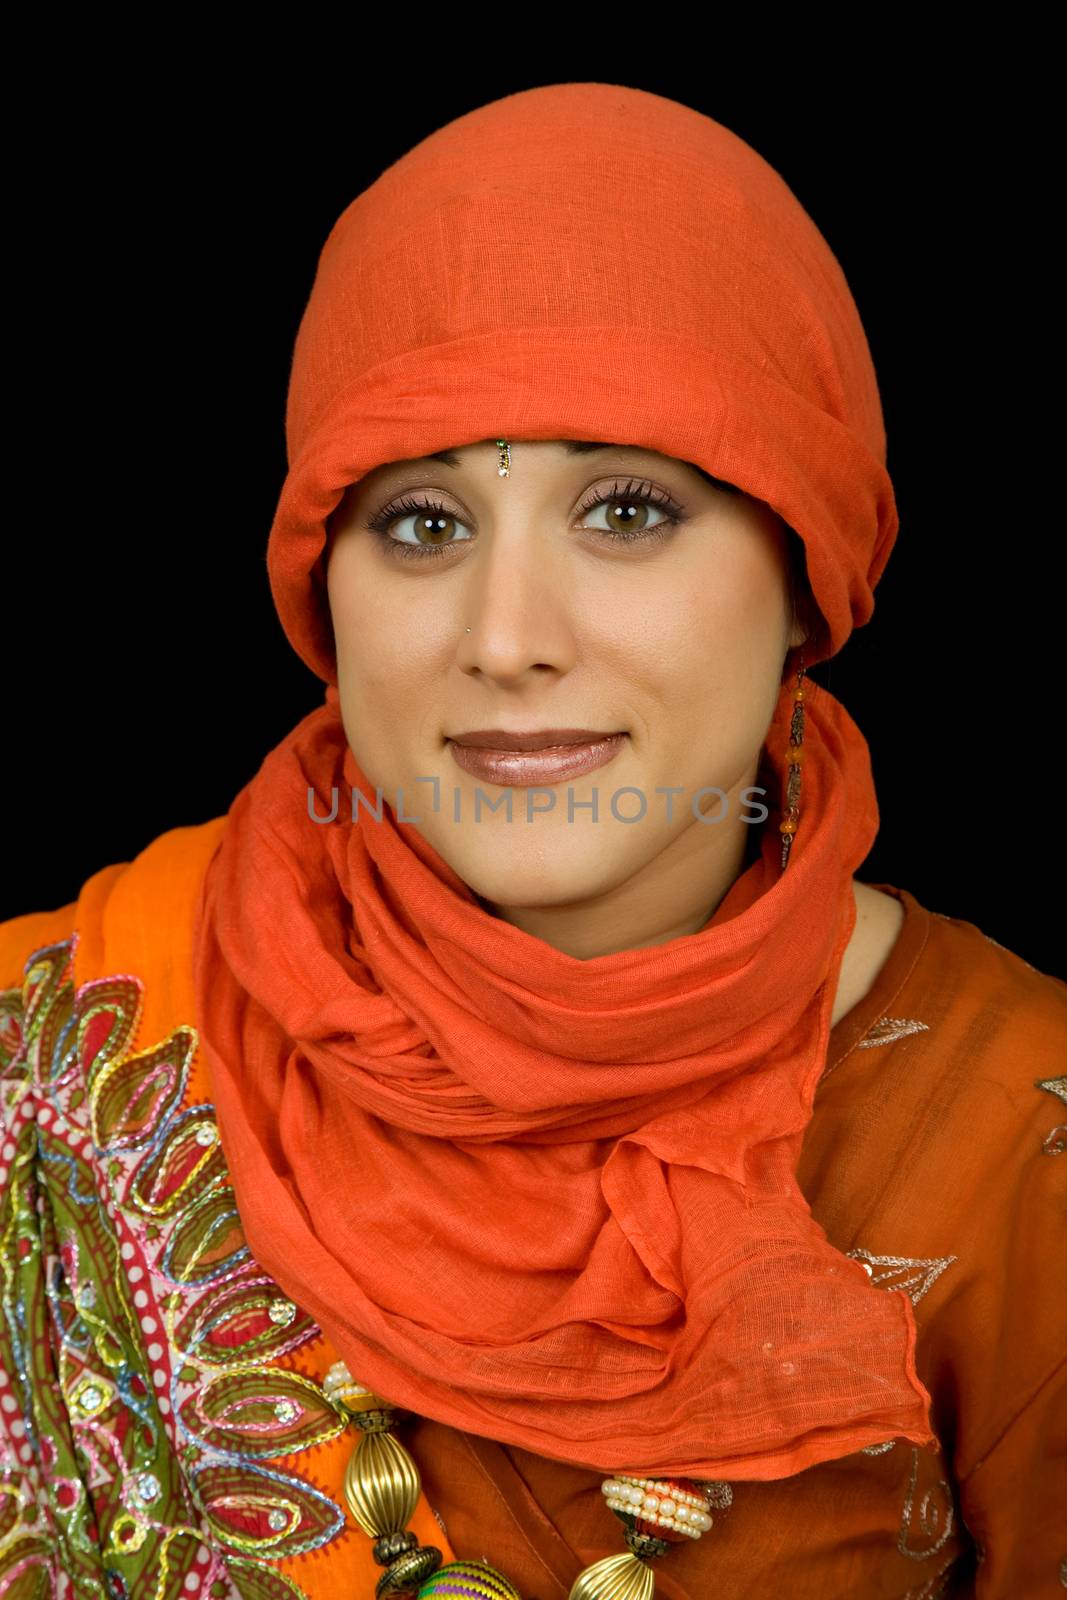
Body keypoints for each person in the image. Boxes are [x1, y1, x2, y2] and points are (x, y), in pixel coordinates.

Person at [0, 81, 1063, 1600]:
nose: (505, 639)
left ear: (807, 564)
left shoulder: (1018, 1157)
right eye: (425, 522)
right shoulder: (54, 1050)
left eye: (627, 509)